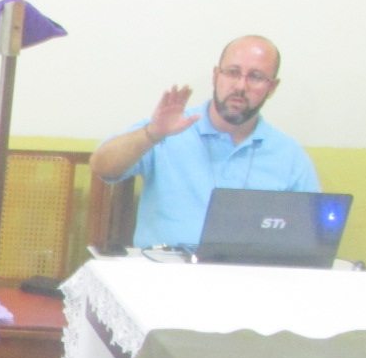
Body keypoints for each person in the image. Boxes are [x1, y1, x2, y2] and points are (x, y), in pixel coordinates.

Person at [90, 35, 320, 249]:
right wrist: (151, 134)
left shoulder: (289, 155)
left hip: (248, 274)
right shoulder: (169, 129)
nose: (241, 86)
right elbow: (102, 167)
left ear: (272, 88)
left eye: (256, 77)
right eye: (232, 72)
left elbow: (310, 236)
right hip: (164, 271)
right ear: (216, 76)